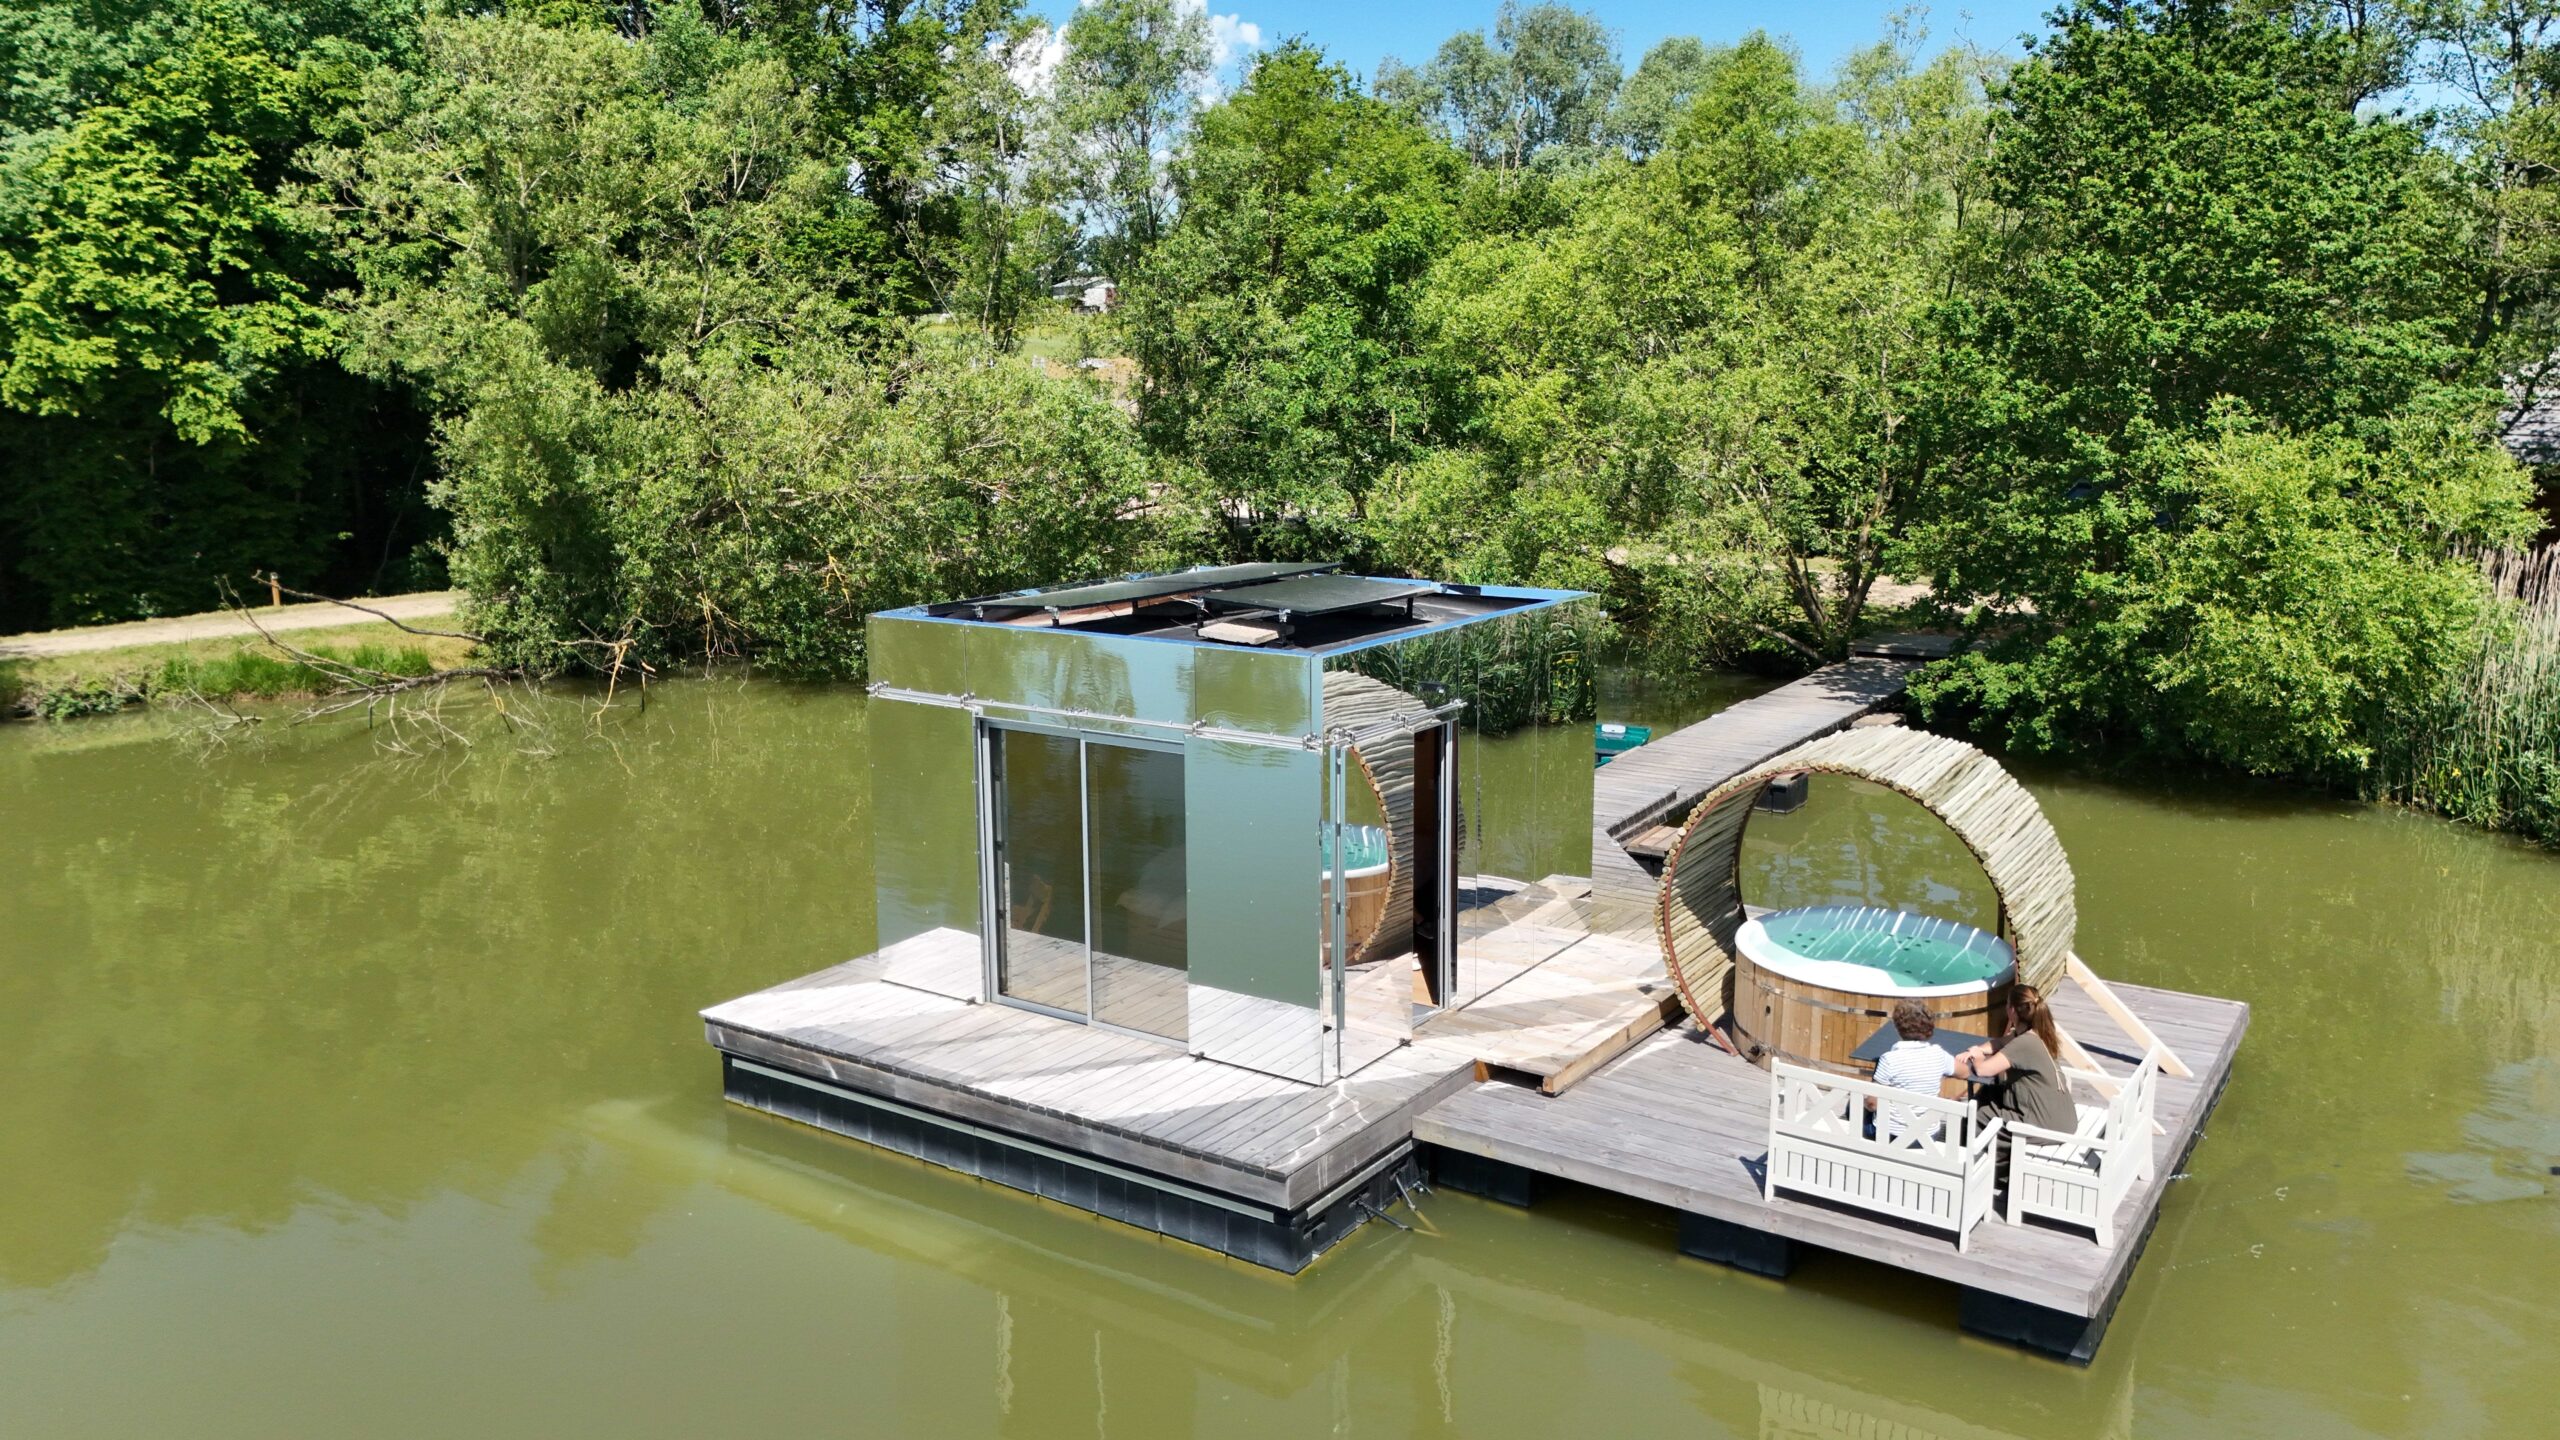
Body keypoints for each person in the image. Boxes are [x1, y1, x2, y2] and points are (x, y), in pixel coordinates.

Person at [1958, 983, 2080, 1137]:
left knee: (1980, 1115)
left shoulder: (2025, 1043)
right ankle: (1969, 1145)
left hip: (2046, 1124)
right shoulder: (2035, 1033)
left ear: (2012, 1011)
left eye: (2007, 1004)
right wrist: (1980, 1048)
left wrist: (1976, 1056)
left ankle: (1972, 1156)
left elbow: (1983, 1070)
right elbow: (2001, 1042)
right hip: (2060, 1117)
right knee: (1988, 1093)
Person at [1871, 999, 1956, 1144]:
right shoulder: (1939, 1055)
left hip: (1890, 1135)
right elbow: (1965, 1072)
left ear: (1898, 1027)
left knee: (1852, 1108)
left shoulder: (1889, 1060)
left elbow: (1872, 1103)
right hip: (1928, 1136)